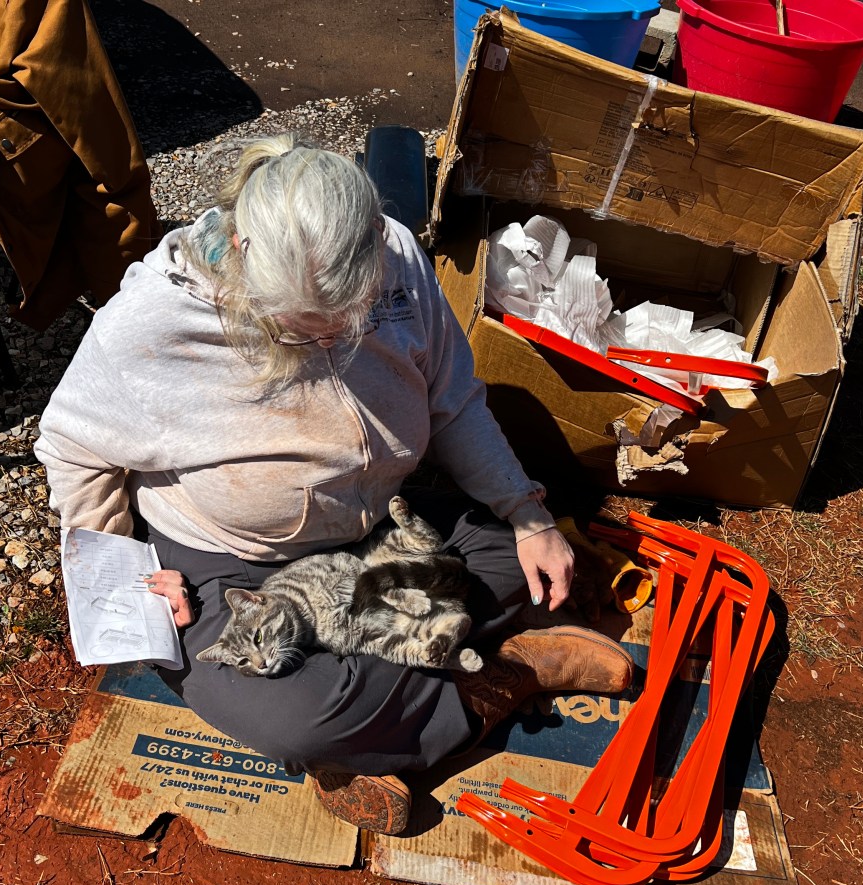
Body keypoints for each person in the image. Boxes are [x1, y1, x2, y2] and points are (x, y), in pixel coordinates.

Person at [34, 133, 634, 835]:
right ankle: (496, 681)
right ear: (245, 261)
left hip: (372, 529)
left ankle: (382, 719)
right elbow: (72, 445)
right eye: (304, 328)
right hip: (235, 562)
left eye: (351, 318)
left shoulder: (398, 256)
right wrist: (125, 577)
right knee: (293, 716)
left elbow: (452, 400)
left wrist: (527, 515)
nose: (333, 341)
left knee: (519, 558)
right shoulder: (153, 321)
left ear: (376, 241)